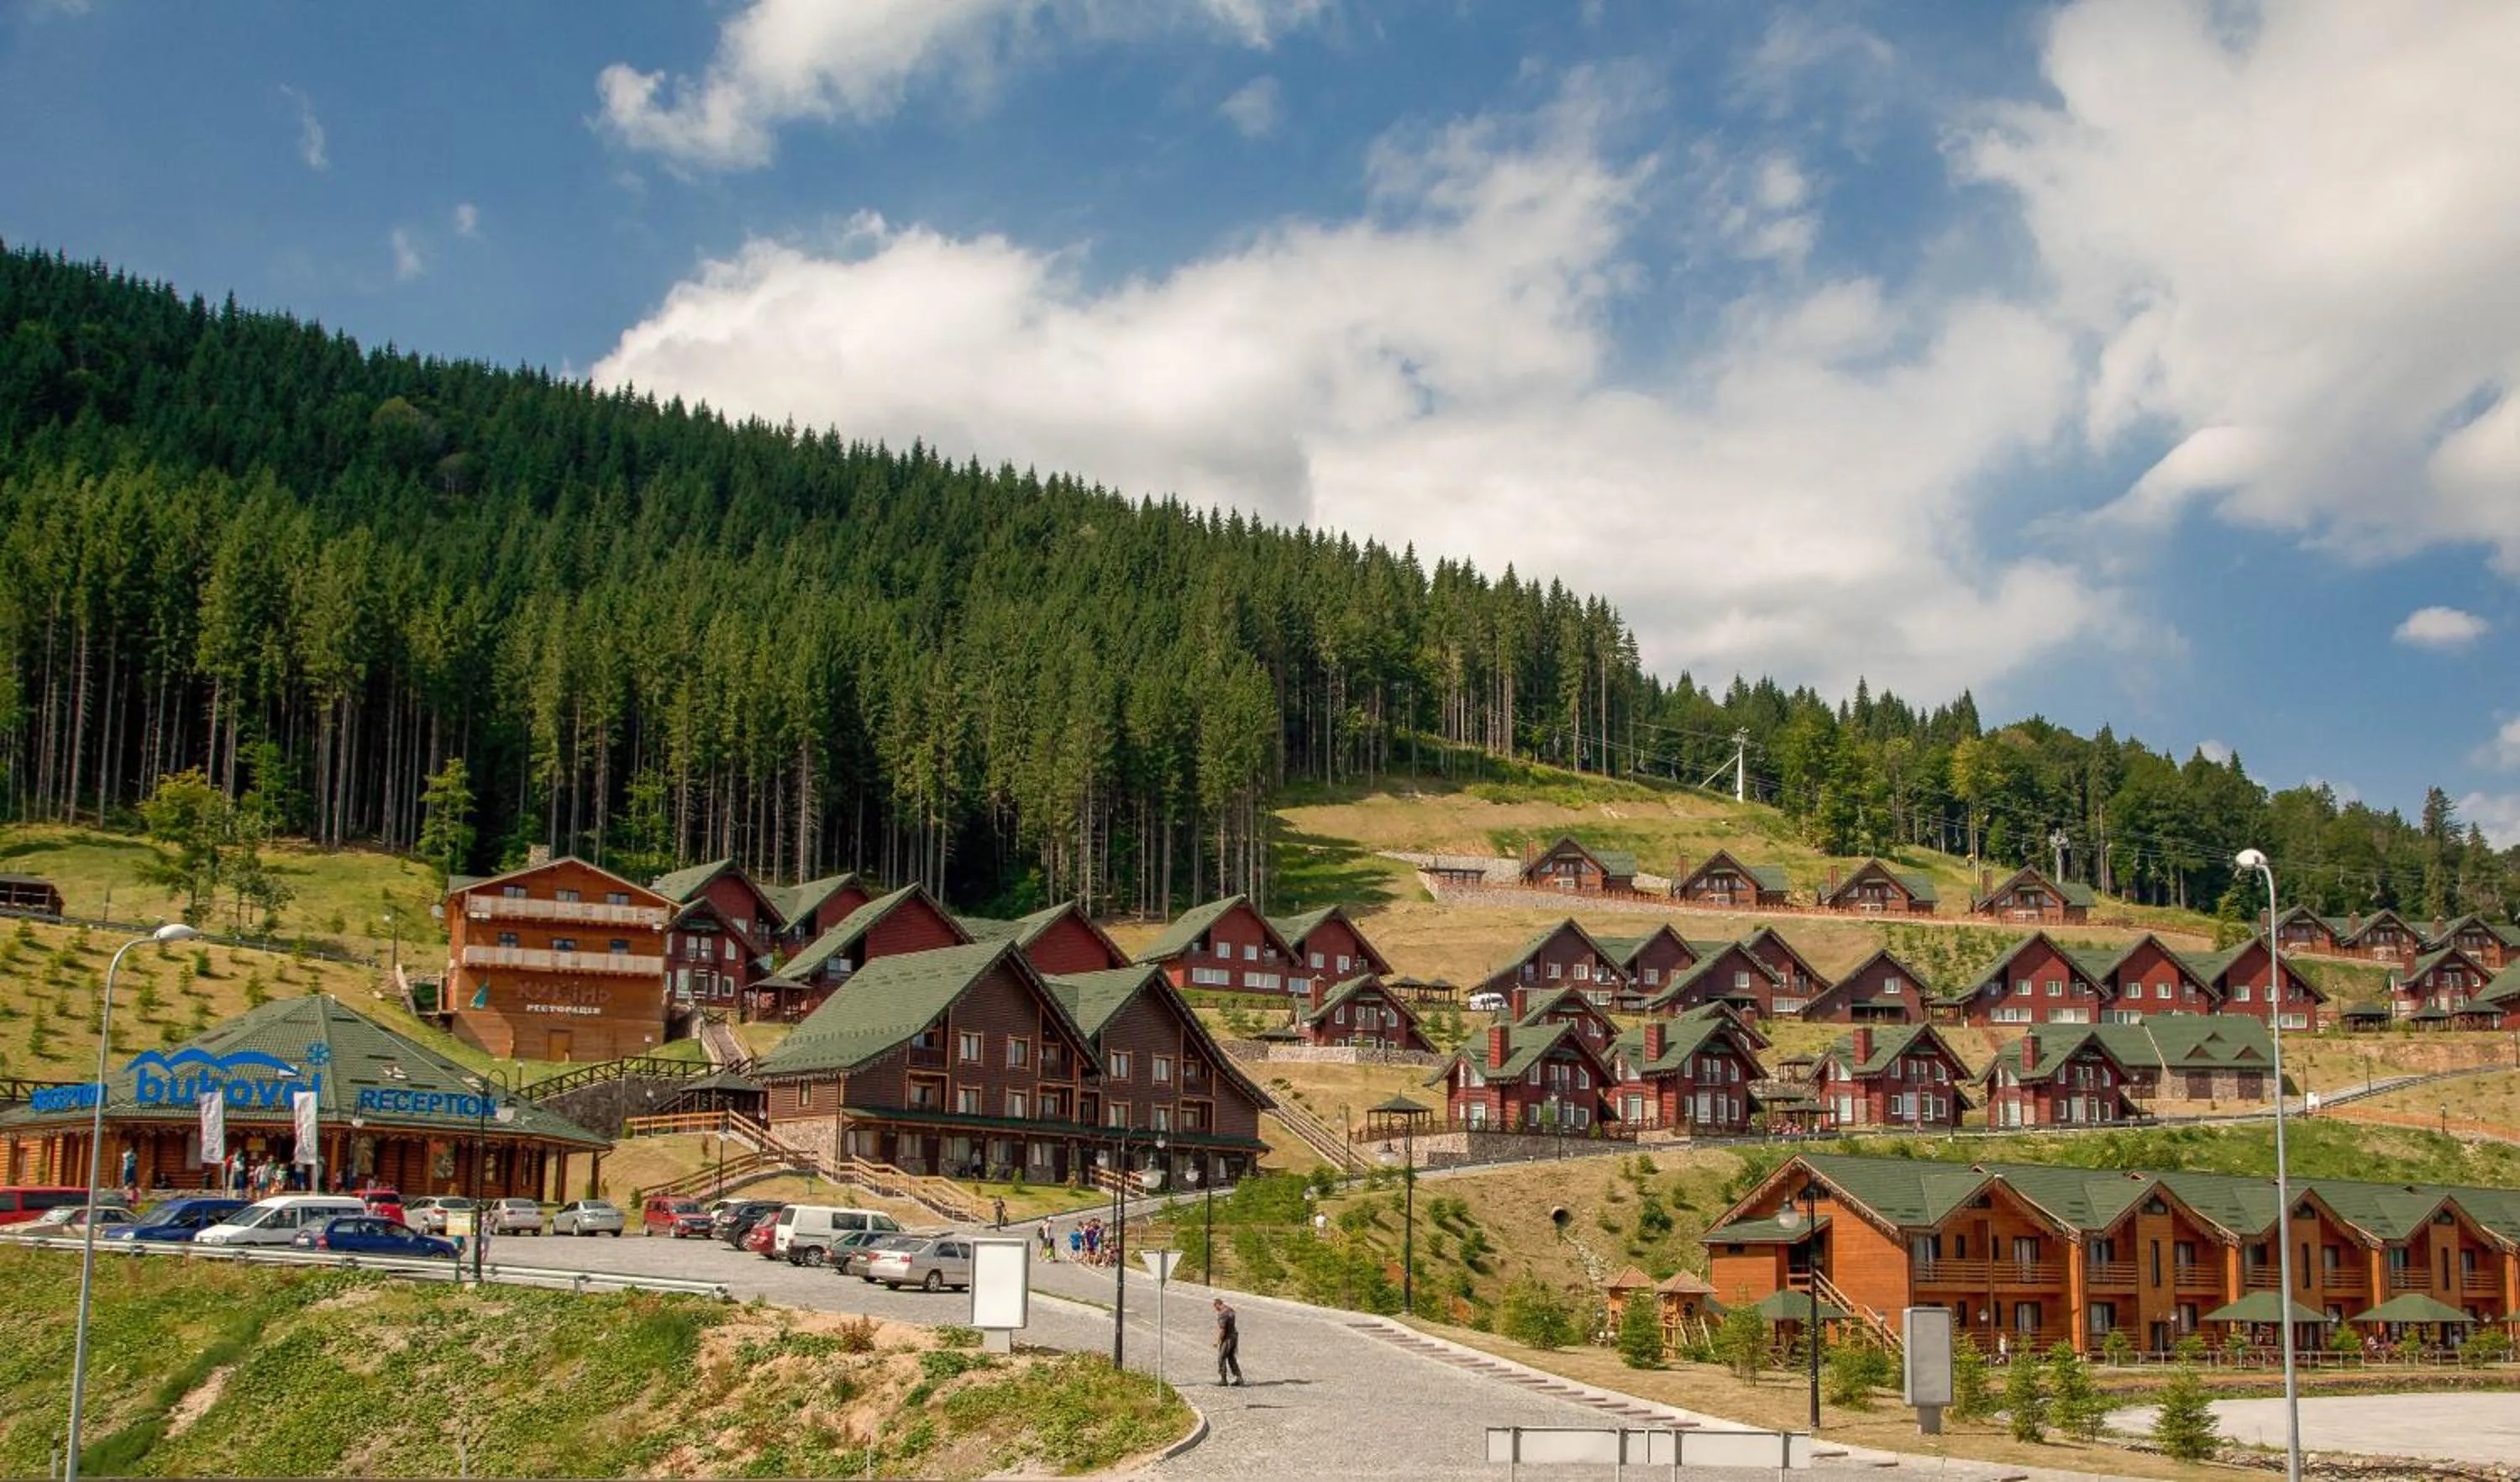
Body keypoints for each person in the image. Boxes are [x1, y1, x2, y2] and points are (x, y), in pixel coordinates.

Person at [1213, 1297, 1243, 1386]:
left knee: (1221, 1358)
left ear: (1217, 1305)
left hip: (1228, 1339)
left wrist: (1217, 1341)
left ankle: (1223, 1380)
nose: (1215, 1310)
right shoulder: (1230, 1310)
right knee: (1231, 1358)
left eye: (1215, 1308)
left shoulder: (1222, 1314)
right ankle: (1239, 1378)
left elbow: (1223, 1330)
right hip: (1234, 1337)